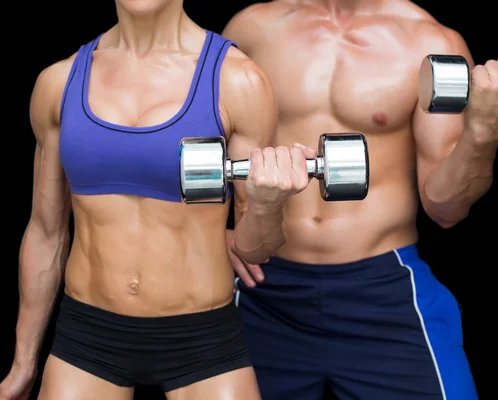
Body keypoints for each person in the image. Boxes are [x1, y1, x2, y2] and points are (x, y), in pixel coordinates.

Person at [222, 1, 498, 399]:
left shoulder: (428, 42)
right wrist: (215, 233)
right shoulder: (252, 29)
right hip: (262, 288)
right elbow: (189, 141)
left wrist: (485, 128)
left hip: (382, 291)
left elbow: (445, 208)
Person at [0, 0, 316, 399]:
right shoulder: (58, 83)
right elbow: (46, 233)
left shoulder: (238, 81)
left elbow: (255, 249)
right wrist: (23, 361)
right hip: (88, 338)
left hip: (203, 340)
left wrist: (268, 204)